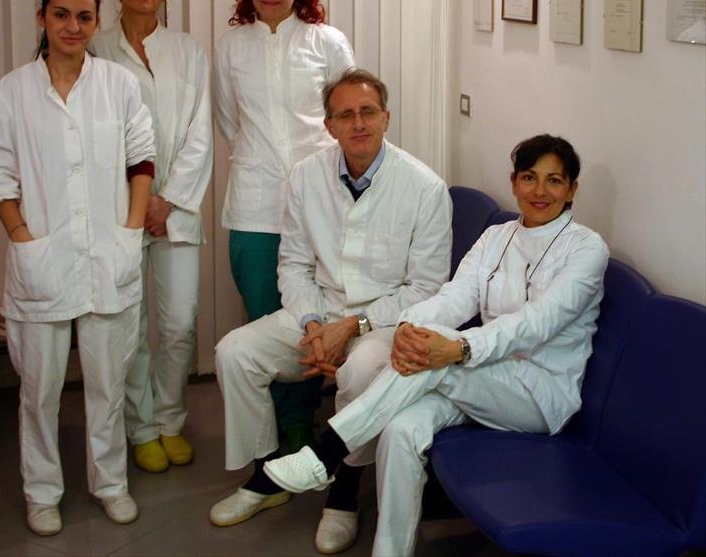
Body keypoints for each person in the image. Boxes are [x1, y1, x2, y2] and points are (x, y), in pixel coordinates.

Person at [262, 134, 611, 557]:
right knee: (400, 430)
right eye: (529, 177)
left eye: (554, 181)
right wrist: (410, 326)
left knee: (435, 360)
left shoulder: (587, 248)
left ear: (572, 189)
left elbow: (537, 323)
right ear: (514, 182)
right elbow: (456, 296)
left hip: (539, 393)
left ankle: (326, 453)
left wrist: (458, 349)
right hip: (485, 377)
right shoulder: (497, 236)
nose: (540, 191)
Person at [210, 68, 453, 556]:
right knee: (234, 352)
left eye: (368, 112)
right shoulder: (306, 176)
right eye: (345, 115)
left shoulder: (425, 187)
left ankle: (343, 494)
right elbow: (294, 264)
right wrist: (313, 325)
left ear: (386, 117)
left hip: (384, 322)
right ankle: (266, 476)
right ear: (329, 125)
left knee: (362, 370)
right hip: (317, 310)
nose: (358, 123)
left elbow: (426, 286)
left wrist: (354, 326)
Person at [0, 0, 155, 536]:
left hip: (109, 254)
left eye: (84, 16)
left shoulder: (118, 85)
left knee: (107, 384)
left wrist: (130, 230)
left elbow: (141, 161)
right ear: (42, 18)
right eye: (61, 14)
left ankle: (110, 484)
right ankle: (42, 492)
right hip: (44, 260)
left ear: (96, 21)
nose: (72, 26)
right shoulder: (10, 93)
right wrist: (22, 238)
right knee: (40, 390)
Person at [213, 0, 355, 450]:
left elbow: (348, 116)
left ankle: (298, 419)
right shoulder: (231, 47)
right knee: (264, 318)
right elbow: (229, 121)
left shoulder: (327, 42)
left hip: (320, 202)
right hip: (254, 205)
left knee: (311, 313)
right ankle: (269, 422)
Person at [91, 0, 212, 473]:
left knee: (180, 321)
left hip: (175, 212)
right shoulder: (96, 50)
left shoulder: (188, 51)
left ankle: (170, 419)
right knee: (131, 326)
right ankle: (140, 428)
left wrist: (169, 199)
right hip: (118, 211)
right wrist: (137, 203)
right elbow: (94, 138)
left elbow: (200, 134)